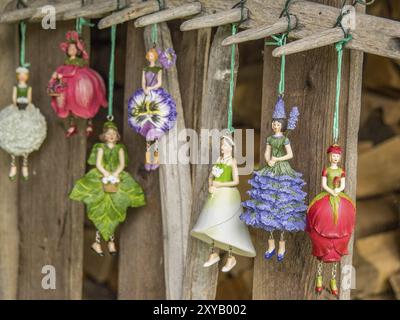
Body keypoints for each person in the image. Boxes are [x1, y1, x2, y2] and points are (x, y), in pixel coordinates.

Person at [70, 121, 146, 256]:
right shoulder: (100, 148)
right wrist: (106, 174)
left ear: (117, 136)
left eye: (113, 134)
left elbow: (122, 164)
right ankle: (98, 242)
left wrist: (115, 174)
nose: (111, 136)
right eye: (108, 134)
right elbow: (98, 164)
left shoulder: (120, 149)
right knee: (99, 207)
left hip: (116, 177)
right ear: (104, 136)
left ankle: (109, 241)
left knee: (113, 208)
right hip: (101, 176)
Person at [191, 134, 256, 273]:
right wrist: (211, 185)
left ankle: (231, 257)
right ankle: (213, 253)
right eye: (222, 145)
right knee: (213, 220)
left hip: (227, 194)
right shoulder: (219, 159)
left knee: (228, 224)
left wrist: (221, 184)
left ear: (231, 148)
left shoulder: (232, 161)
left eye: (225, 145)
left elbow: (236, 181)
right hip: (217, 194)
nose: (223, 147)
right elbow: (211, 176)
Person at [306, 144, 356, 296]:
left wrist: (338, 190)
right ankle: (319, 277)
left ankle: (333, 279)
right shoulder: (326, 170)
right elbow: (323, 184)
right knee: (315, 215)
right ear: (329, 156)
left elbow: (343, 184)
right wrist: (330, 191)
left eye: (337, 156)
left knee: (346, 215)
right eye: (333, 155)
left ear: (339, 158)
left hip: (338, 196)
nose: (335, 158)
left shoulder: (341, 171)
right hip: (327, 194)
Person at [48, 31, 107, 137]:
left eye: (74, 49)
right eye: (70, 49)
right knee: (65, 99)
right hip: (64, 84)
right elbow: (60, 70)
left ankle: (89, 121)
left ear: (78, 51)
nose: (71, 50)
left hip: (77, 80)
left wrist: (63, 76)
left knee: (83, 94)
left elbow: (73, 72)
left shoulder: (79, 64)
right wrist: (55, 75)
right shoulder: (65, 64)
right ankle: (72, 124)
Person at [0, 67, 47, 181]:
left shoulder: (29, 87)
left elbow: (29, 99)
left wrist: (29, 106)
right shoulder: (15, 87)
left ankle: (25, 165)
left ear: (27, 76)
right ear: (17, 76)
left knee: (28, 136)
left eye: (24, 75)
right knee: (12, 134)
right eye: (20, 74)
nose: (22, 77)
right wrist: (15, 105)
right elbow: (14, 98)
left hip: (26, 108)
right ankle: (13, 165)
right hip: (17, 108)